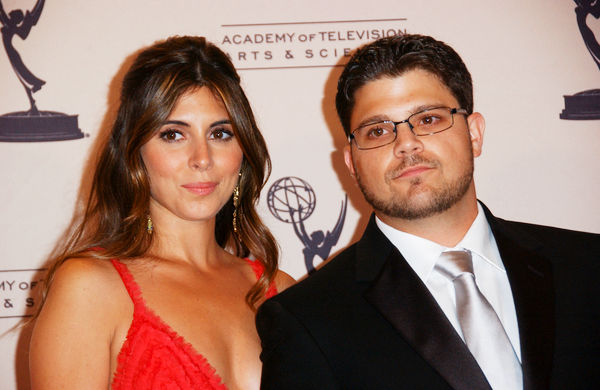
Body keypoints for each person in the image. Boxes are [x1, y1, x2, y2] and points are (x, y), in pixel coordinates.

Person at [256, 34, 600, 389]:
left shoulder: (589, 267)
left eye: (429, 119)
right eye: (377, 130)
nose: (406, 144)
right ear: (352, 163)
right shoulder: (307, 319)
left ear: (474, 133)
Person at [29, 36, 294, 390]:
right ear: (134, 151)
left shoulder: (279, 289)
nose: (202, 158)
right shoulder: (90, 289)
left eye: (220, 133)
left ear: (243, 148)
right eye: (172, 135)